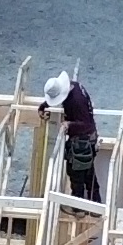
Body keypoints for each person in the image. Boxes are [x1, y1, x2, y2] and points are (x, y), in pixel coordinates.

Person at [43, 71, 98, 201]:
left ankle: (78, 208)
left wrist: (69, 124)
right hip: (88, 139)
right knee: (89, 175)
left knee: (77, 175)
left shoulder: (77, 101)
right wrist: (43, 106)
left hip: (83, 141)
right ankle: (95, 206)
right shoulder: (74, 87)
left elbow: (86, 124)